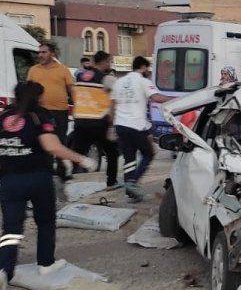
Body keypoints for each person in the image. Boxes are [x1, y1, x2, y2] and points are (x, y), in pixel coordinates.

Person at [0, 81, 94, 290]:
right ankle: (45, 263)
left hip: (9, 180)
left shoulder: (1, 117)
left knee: (11, 229)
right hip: (38, 178)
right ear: (39, 97)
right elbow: (51, 146)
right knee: (45, 222)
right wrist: (81, 159)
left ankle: (2, 271)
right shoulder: (39, 116)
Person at [111, 56, 172, 202]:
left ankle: (131, 191)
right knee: (148, 154)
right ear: (143, 67)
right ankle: (133, 182)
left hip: (120, 125)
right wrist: (175, 99)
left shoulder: (119, 82)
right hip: (136, 125)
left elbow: (112, 104)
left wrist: (113, 125)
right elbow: (156, 98)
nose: (148, 71)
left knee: (129, 159)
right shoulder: (143, 81)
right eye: (147, 68)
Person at [68, 51, 120, 187]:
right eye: (109, 61)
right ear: (104, 62)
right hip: (99, 122)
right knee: (112, 152)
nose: (110, 64)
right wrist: (112, 123)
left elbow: (74, 94)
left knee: (77, 153)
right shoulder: (107, 79)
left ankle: (69, 180)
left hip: (80, 121)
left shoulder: (80, 76)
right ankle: (111, 181)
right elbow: (114, 101)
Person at [26, 41, 75, 154]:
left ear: (52, 54)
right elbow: (28, 90)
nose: (40, 55)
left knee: (60, 143)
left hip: (59, 112)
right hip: (40, 112)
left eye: (44, 52)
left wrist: (76, 106)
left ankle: (62, 165)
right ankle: (44, 164)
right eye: (39, 52)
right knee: (41, 143)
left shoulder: (63, 69)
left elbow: (72, 90)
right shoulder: (33, 70)